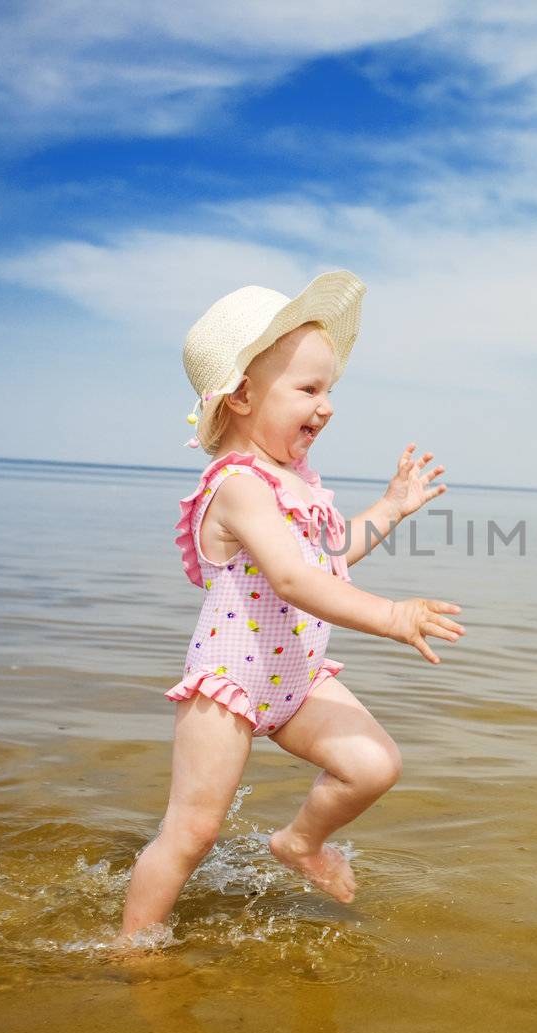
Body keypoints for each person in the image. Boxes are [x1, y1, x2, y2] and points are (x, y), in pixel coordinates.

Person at [116, 272, 463, 944]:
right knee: (193, 830)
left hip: (296, 679)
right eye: (308, 389)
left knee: (374, 765)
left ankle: (299, 843)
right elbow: (293, 579)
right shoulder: (240, 485)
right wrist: (391, 616)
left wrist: (390, 507)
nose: (327, 406)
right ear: (242, 395)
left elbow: (325, 563)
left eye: (329, 389)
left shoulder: (297, 484)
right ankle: (132, 946)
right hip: (231, 683)